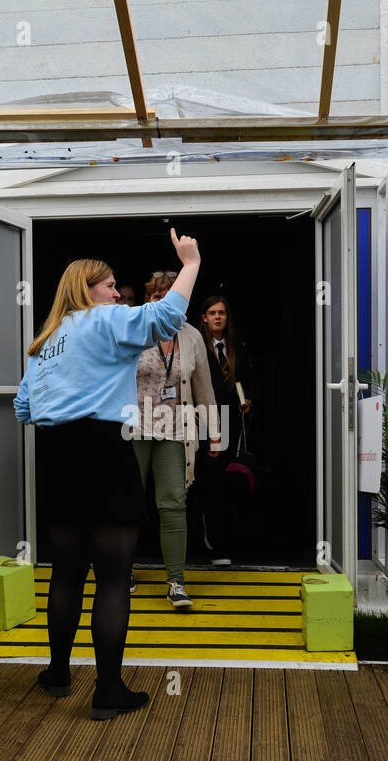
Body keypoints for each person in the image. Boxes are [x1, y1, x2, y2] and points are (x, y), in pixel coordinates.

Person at [13, 229, 200, 719]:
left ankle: (56, 673)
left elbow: (23, 408)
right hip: (104, 450)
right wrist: (190, 263)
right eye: (111, 285)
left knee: (67, 572)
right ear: (87, 290)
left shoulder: (43, 341)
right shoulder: (104, 321)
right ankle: (108, 690)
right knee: (113, 577)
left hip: (58, 457)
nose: (117, 294)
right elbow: (167, 317)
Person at [130, 272, 220, 607]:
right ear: (147, 300)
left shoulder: (192, 335)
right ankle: (122, 570)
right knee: (129, 502)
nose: (162, 300)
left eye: (169, 295)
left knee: (173, 504)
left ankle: (176, 582)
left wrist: (214, 433)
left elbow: (204, 387)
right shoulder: (132, 328)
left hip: (175, 429)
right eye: (156, 295)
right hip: (132, 428)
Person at [196, 295, 254, 566]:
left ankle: (229, 542)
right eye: (212, 313)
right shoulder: (197, 346)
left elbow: (245, 382)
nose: (217, 317)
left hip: (231, 418)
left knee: (228, 482)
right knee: (209, 480)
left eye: (222, 312)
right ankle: (211, 542)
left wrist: (247, 401)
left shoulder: (236, 347)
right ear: (204, 318)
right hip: (204, 421)